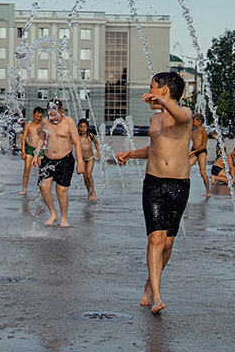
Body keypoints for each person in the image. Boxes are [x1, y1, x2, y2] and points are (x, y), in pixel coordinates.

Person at [115, 72, 192, 314]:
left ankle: (151, 282)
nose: (149, 91)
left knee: (168, 243)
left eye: (152, 87)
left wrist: (163, 103)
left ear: (164, 90)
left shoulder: (185, 115)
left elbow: (178, 114)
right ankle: (156, 294)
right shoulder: (154, 118)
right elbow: (155, 148)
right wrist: (130, 153)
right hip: (154, 183)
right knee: (155, 239)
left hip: (179, 184)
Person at [33, 99, 84, 227]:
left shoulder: (69, 122)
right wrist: (36, 154)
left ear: (62, 112)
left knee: (61, 190)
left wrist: (80, 163)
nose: (53, 118)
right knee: (43, 187)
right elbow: (41, 139)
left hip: (65, 159)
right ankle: (53, 214)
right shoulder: (45, 122)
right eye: (50, 115)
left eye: (55, 115)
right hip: (48, 158)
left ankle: (64, 218)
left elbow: (77, 143)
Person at [19, 107, 44, 195]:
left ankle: (43, 189)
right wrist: (23, 151)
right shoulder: (28, 125)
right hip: (30, 148)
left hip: (40, 149)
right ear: (33, 114)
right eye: (37, 116)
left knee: (42, 170)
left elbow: (48, 137)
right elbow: (24, 138)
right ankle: (24, 189)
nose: (38, 118)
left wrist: (42, 131)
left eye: (40, 117)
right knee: (26, 169)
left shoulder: (43, 125)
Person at [77, 118, 101, 201]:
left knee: (89, 174)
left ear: (87, 127)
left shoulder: (90, 135)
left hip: (90, 157)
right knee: (85, 177)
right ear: (78, 127)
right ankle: (89, 192)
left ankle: (93, 191)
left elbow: (96, 143)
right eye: (81, 127)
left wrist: (98, 153)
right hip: (82, 159)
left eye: (84, 127)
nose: (83, 129)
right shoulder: (77, 137)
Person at [188, 113, 210, 197]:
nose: (193, 123)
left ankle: (208, 191)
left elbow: (203, 146)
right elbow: (194, 144)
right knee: (186, 167)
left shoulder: (203, 132)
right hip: (194, 151)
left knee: (202, 172)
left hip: (202, 152)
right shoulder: (194, 131)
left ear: (199, 121)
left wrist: (193, 152)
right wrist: (190, 152)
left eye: (194, 121)